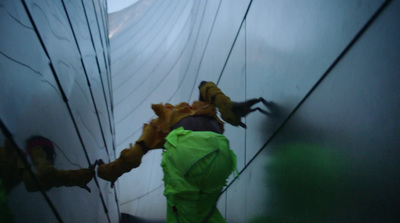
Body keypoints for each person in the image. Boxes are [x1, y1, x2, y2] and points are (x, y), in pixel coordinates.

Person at [97, 81, 272, 222]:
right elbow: (205, 85)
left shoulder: (159, 122)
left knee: (183, 215)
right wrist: (226, 106)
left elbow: (134, 156)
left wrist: (107, 171)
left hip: (185, 157)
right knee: (206, 213)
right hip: (219, 152)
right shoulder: (202, 108)